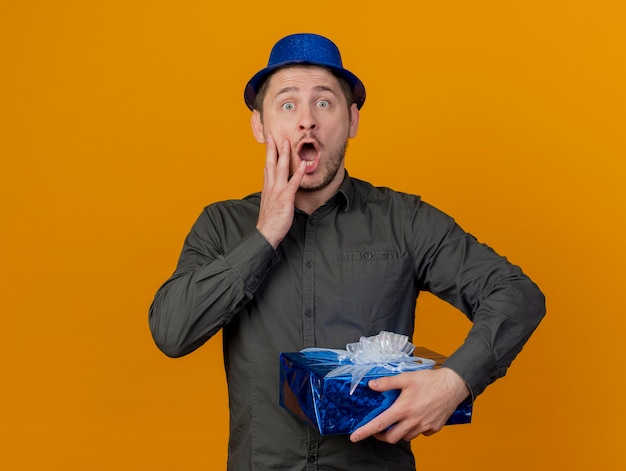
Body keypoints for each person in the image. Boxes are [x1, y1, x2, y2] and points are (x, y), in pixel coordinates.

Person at [149, 33, 545, 470]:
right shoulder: (220, 225)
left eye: (324, 103)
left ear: (352, 120)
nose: (306, 121)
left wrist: (456, 380)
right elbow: (171, 333)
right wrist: (264, 236)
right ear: (259, 125)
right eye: (287, 104)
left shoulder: (405, 220)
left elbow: (516, 293)